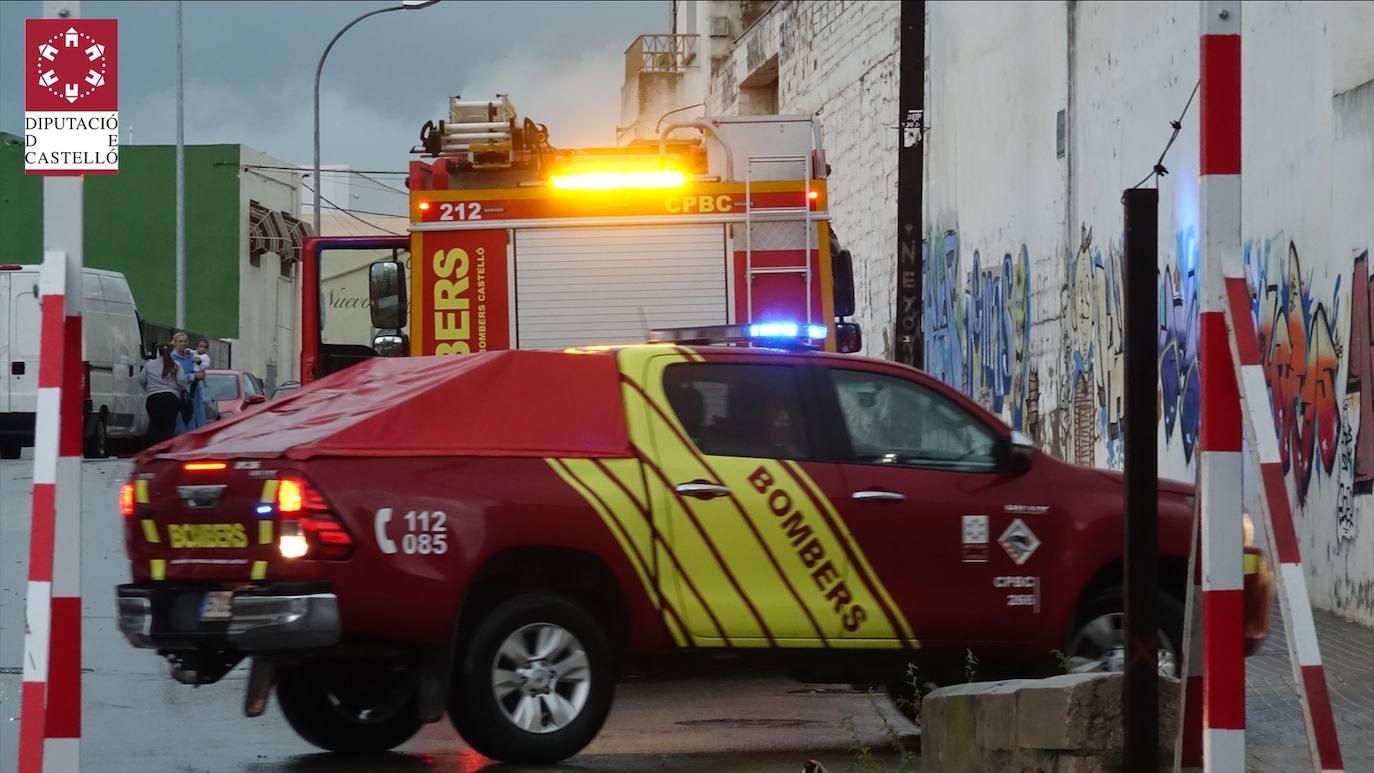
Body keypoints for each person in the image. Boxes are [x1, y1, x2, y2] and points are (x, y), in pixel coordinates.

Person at [138, 344, 187, 446]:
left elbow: (141, 379)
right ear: (171, 351)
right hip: (171, 399)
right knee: (169, 426)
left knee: (154, 425)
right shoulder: (176, 365)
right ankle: (166, 449)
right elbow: (182, 381)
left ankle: (153, 448)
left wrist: (149, 389)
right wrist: (178, 390)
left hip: (153, 398)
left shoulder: (149, 364)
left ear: (157, 351)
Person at [169, 330, 207, 434]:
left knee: (196, 417)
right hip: (180, 394)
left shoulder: (191, 356)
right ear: (175, 343)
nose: (183, 343)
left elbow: (202, 366)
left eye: (185, 341)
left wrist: (202, 374)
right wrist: (193, 376)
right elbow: (174, 378)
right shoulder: (171, 358)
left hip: (194, 392)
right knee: (182, 420)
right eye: (180, 341)